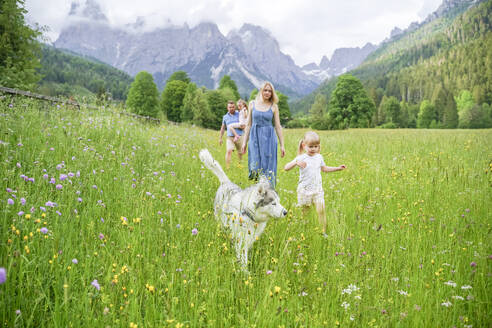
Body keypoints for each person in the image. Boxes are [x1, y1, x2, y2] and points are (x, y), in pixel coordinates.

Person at [284, 131, 346, 236]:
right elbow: (286, 168)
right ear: (304, 146)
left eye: (316, 146)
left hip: (317, 190)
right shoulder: (301, 158)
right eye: (311, 146)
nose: (313, 149)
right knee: (305, 213)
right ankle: (305, 231)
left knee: (321, 210)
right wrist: (295, 162)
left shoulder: (319, 157)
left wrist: (338, 168)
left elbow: (324, 169)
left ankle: (323, 232)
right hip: (304, 191)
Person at [241, 82, 285, 188]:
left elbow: (278, 126)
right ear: (261, 91)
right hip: (255, 138)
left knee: (268, 167)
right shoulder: (252, 104)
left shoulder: (274, 107)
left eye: (270, 91)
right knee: (255, 166)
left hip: (269, 139)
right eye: (265, 90)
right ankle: (258, 190)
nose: (267, 93)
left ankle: (269, 193)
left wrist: (282, 145)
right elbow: (248, 125)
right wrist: (244, 143)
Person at [219, 101, 243, 169]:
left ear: (234, 107)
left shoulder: (239, 114)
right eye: (230, 107)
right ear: (227, 108)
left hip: (240, 136)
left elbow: (244, 121)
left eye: (233, 107)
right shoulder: (225, 117)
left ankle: (240, 165)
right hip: (230, 137)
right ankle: (227, 167)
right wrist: (220, 138)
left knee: (240, 152)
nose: (231, 108)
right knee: (229, 150)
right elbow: (223, 128)